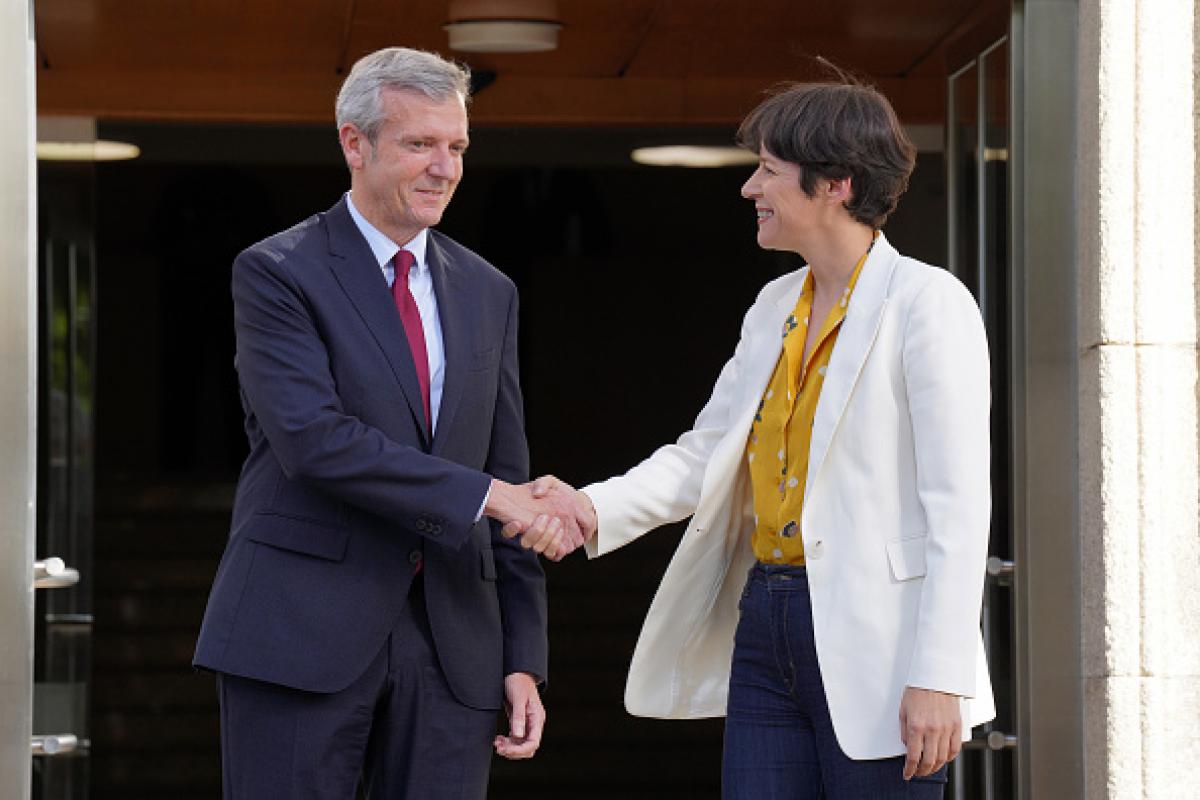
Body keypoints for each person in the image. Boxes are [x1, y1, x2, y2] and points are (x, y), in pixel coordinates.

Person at [510, 80, 996, 798]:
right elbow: (707, 452)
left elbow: (958, 506)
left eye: (768, 169)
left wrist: (939, 674)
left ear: (836, 182)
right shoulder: (774, 306)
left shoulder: (929, 304)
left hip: (885, 645)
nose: (749, 188)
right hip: (767, 618)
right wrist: (588, 507)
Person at [193, 47, 577, 799]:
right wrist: (487, 496)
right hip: (299, 632)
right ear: (354, 142)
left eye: (458, 147)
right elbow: (314, 441)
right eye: (420, 144)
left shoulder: (489, 291)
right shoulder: (277, 272)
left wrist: (522, 654)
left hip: (455, 643)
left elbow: (511, 464)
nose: (445, 167)